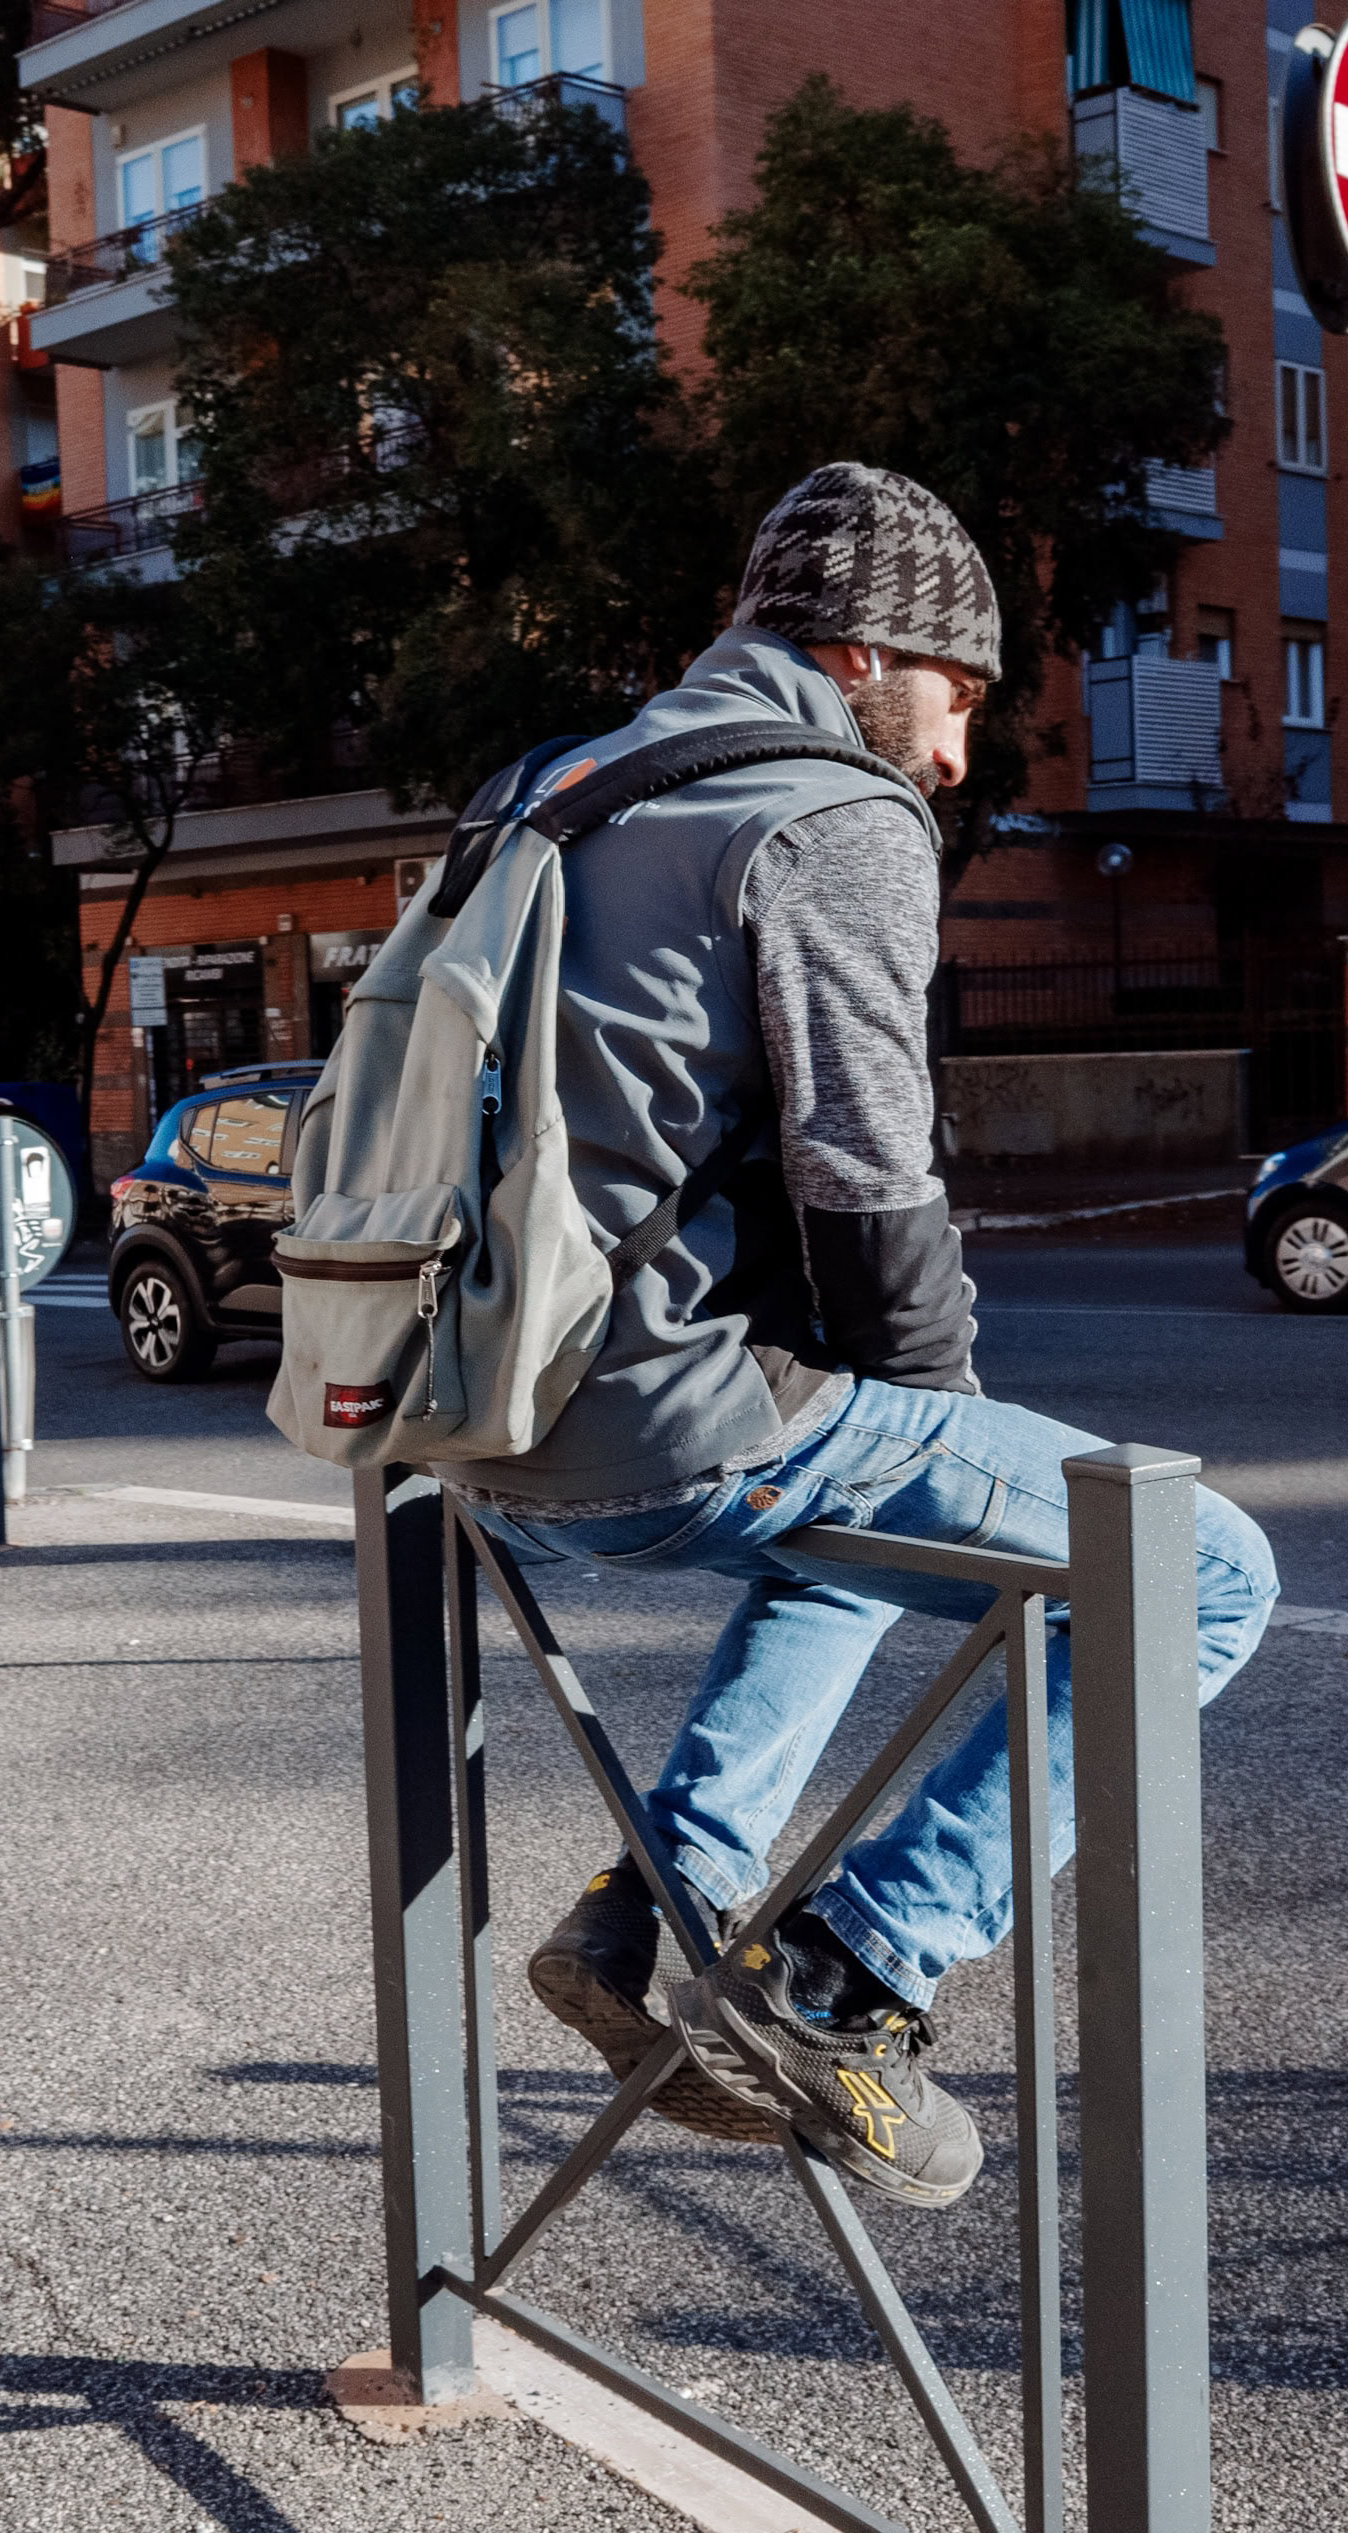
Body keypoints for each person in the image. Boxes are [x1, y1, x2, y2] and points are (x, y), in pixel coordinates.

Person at [446, 463, 1281, 2208]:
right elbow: (870, 1173)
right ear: (862, 653)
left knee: (843, 1529)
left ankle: (653, 1903)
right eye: (960, 692)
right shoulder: (828, 808)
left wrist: (908, 1438)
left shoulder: (549, 789)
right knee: (1206, 1572)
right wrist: (946, 1424)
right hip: (666, 1420)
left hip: (475, 1422)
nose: (959, 751)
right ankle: (853, 1970)